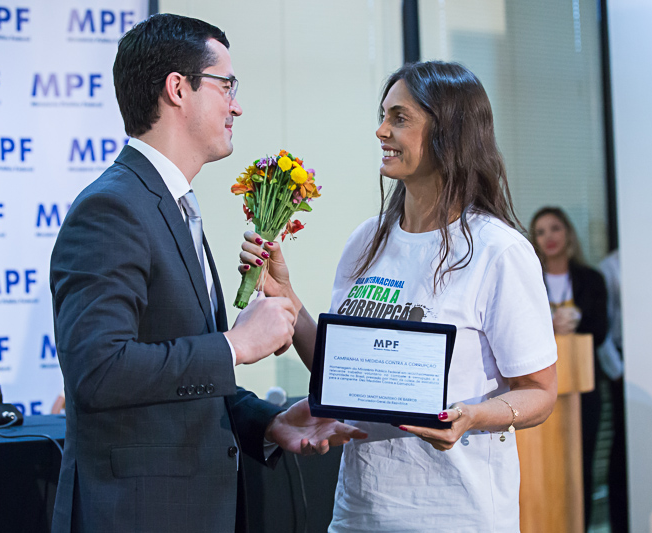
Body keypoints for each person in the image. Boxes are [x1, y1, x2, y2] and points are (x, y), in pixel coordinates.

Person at [49, 14, 365, 533]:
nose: (236, 105)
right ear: (178, 89)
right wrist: (236, 345)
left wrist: (269, 422)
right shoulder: (113, 208)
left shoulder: (171, 204)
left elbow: (181, 384)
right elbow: (98, 371)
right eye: (226, 86)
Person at [238, 61, 558, 531]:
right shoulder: (366, 240)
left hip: (456, 517)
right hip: (358, 514)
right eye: (383, 115)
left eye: (399, 118)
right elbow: (338, 365)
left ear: (450, 133)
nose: (381, 130)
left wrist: (471, 416)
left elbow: (540, 393)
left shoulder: (500, 251)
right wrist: (284, 294)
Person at [530, 206, 609, 529]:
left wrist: (578, 323)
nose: (548, 237)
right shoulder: (529, 278)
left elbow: (601, 332)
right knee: (540, 467)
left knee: (581, 463)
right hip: (537, 386)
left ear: (568, 233)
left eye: (555, 228)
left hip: (582, 386)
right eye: (540, 232)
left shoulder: (591, 279)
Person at [598, 250, 629, 533]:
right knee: (622, 446)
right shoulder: (610, 267)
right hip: (622, 360)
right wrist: (617, 370)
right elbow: (603, 327)